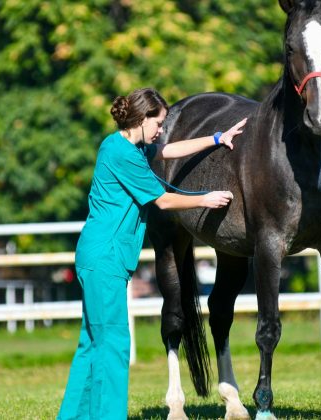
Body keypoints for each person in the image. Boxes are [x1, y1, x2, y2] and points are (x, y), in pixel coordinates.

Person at [57, 87, 247, 420]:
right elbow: (162, 200)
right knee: (113, 343)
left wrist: (216, 138)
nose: (161, 129)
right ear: (141, 118)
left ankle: (73, 416)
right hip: (106, 257)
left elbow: (170, 149)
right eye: (158, 123)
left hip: (98, 254)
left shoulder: (122, 145)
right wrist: (205, 199)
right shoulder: (124, 155)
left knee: (92, 343)